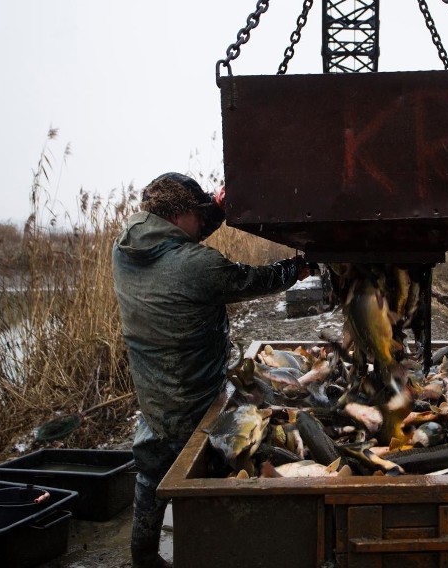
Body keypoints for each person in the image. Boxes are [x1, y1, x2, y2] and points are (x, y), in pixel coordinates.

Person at [112, 172, 310, 568]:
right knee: (213, 474)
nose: (203, 224)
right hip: (194, 395)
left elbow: (180, 241)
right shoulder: (197, 266)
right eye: (199, 214)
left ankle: (143, 558)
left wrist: (215, 210)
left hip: (152, 394)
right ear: (182, 213)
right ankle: (212, 551)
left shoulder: (127, 243)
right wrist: (298, 269)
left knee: (150, 476)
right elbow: (253, 280)